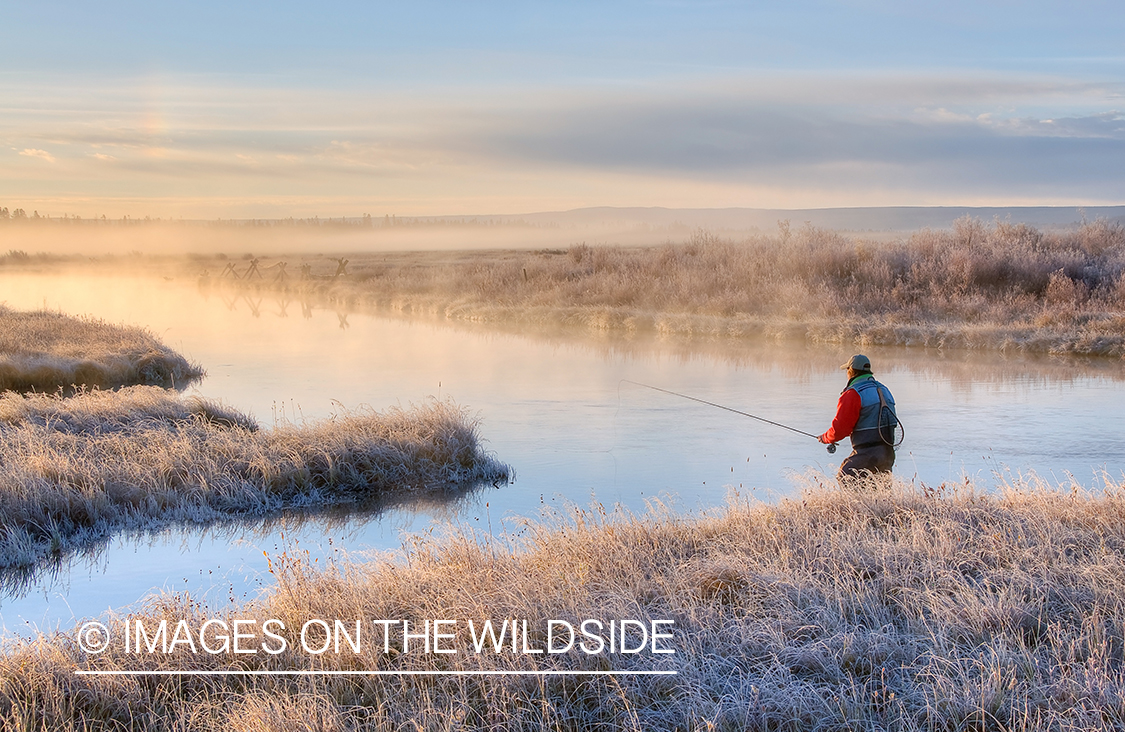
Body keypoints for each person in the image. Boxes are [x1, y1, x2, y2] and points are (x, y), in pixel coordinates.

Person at [819, 354, 898, 480]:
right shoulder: (884, 389)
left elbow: (841, 429)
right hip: (887, 453)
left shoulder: (853, 393)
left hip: (867, 453)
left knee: (846, 477)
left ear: (851, 370)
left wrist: (825, 438)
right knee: (880, 491)